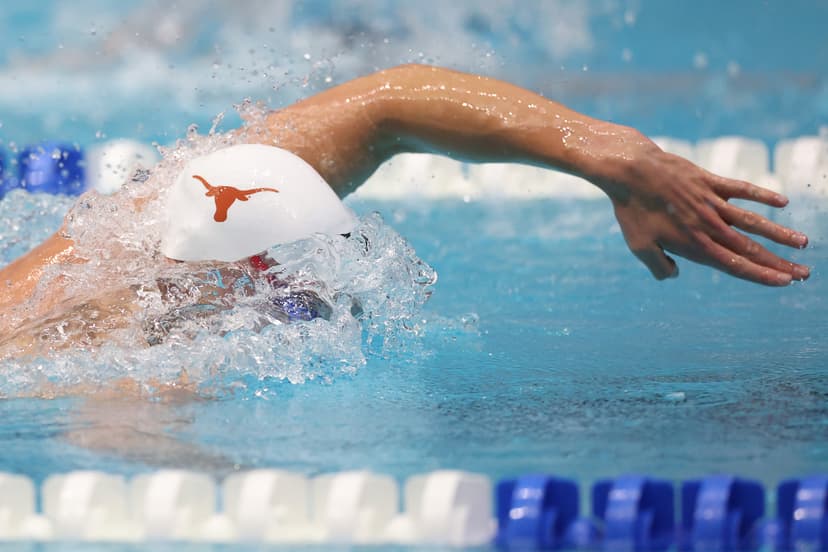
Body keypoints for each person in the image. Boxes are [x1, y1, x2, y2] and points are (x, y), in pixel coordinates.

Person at [0, 64, 811, 355]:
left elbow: (385, 105)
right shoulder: (132, 342)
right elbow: (122, 442)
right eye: (293, 300)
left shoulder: (145, 227)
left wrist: (609, 153)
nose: (305, 307)